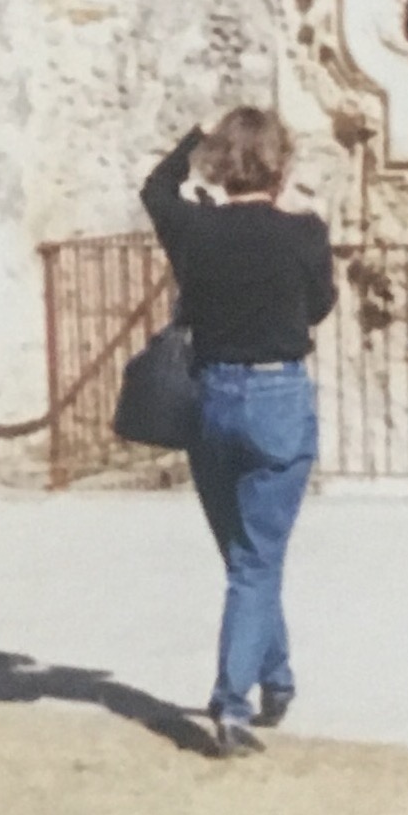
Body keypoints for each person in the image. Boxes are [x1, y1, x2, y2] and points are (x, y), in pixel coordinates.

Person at [140, 108, 337, 756]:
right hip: (276, 393)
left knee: (245, 557)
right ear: (281, 165)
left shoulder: (194, 228)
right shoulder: (303, 232)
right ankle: (232, 702)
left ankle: (275, 677)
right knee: (256, 559)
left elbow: (154, 189)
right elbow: (318, 304)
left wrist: (192, 135)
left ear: (222, 164)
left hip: (211, 395)